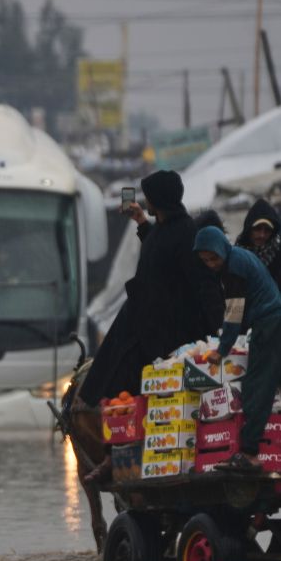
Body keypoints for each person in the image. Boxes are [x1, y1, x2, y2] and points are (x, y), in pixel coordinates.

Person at [194, 226, 281, 473]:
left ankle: (249, 452)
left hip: (268, 325)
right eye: (205, 260)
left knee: (258, 386)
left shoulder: (233, 267)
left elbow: (233, 312)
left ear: (221, 250)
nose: (211, 264)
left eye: (213, 258)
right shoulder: (240, 256)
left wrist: (222, 349)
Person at [78, 170, 224, 407]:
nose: (147, 203)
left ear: (160, 200)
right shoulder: (166, 227)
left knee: (127, 375)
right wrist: (141, 222)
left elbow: (204, 284)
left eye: (150, 198)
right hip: (144, 320)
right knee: (111, 368)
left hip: (167, 331)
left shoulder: (186, 232)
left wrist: (220, 332)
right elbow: (159, 250)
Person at [235, 199, 281, 279]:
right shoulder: (236, 256)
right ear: (249, 230)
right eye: (257, 228)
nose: (262, 235)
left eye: (267, 230)